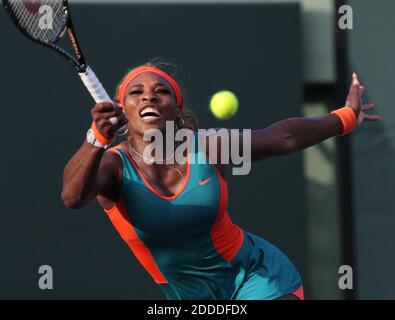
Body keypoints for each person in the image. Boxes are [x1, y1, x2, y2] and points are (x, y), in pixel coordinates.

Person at [61, 61, 379, 300]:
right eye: (137, 92)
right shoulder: (113, 165)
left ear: (176, 108)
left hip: (257, 276)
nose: (149, 98)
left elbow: (283, 137)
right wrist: (96, 138)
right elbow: (72, 197)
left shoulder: (209, 146)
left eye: (161, 92)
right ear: (124, 109)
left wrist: (347, 117)